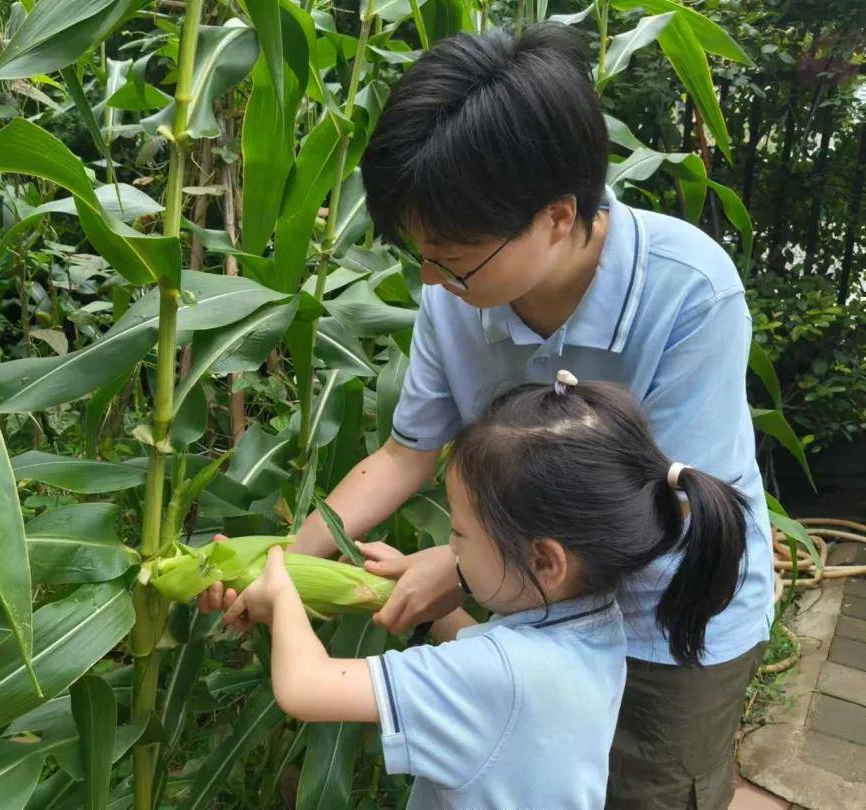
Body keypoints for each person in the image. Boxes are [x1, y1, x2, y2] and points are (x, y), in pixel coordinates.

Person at [205, 23, 773, 808]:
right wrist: (277, 565)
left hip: (670, 618)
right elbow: (406, 456)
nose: (431, 281)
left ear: (557, 215)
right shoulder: (454, 295)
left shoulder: (689, 293)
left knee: (647, 790)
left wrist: (461, 566)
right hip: (535, 603)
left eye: (453, 255)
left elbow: (666, 507)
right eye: (419, 253)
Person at [221, 376, 750, 809]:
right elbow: (499, 663)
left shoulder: (495, 677)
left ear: (545, 561)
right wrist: (406, 596)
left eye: (459, 533)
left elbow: (306, 688)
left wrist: (282, 589)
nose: (447, 547)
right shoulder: (593, 620)